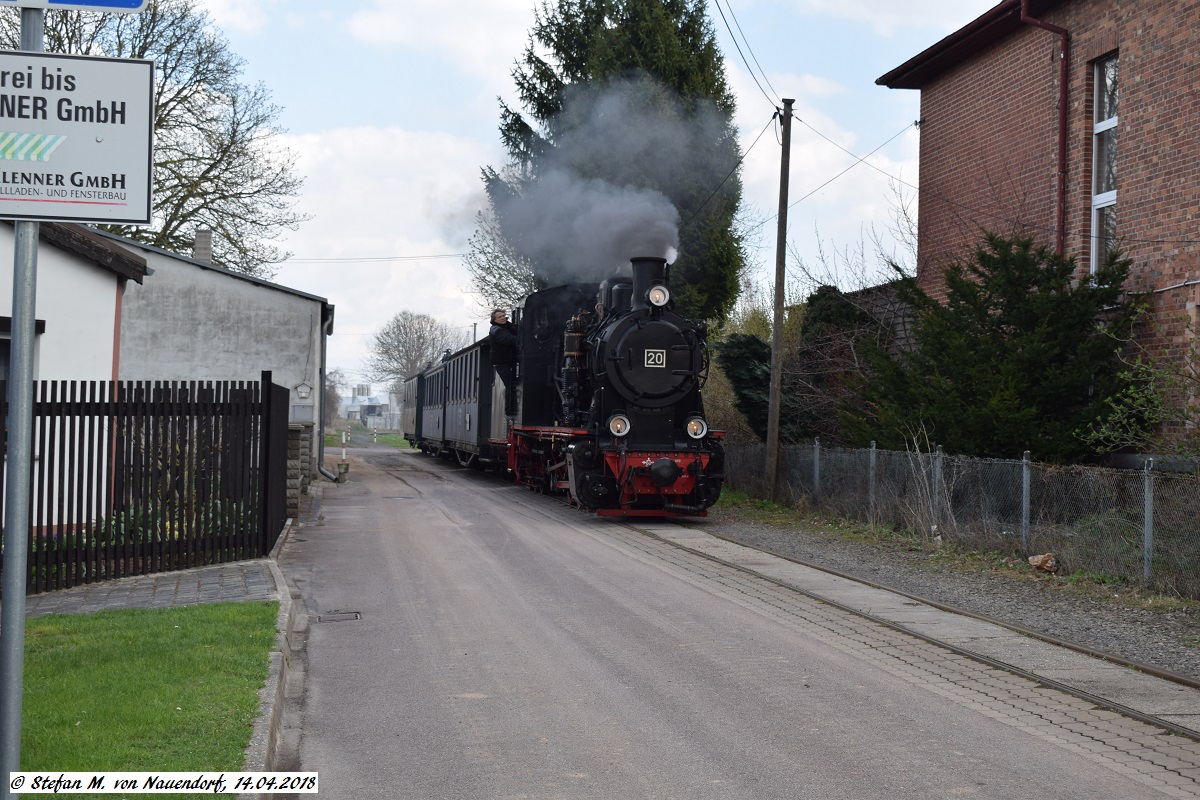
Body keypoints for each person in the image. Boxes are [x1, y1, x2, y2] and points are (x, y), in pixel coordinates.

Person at [488, 309, 519, 419]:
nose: (503, 318)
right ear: (494, 320)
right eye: (500, 317)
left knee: (512, 385)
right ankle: (510, 413)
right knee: (510, 386)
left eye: (504, 315)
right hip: (503, 363)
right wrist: (520, 339)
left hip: (509, 361)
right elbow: (509, 339)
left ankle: (512, 411)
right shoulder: (496, 330)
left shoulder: (506, 326)